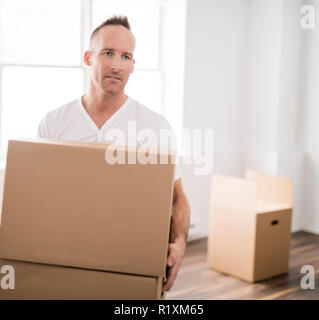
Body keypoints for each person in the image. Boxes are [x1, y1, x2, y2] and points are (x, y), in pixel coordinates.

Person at [37, 15, 190, 292]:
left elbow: (177, 198)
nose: (117, 65)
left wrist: (179, 245)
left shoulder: (155, 127)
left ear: (133, 65)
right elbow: (40, 197)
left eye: (126, 56)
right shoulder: (54, 122)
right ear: (88, 57)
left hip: (130, 258)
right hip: (67, 257)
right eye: (108, 53)